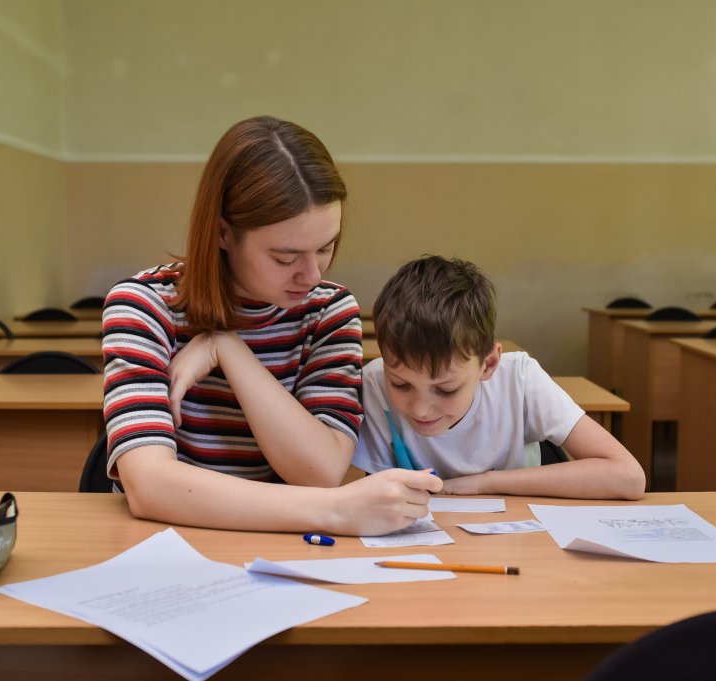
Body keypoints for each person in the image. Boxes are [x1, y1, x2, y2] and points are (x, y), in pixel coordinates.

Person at [103, 116, 440, 536]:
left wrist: (227, 349)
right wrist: (332, 511)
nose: (312, 275)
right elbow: (150, 487)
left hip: (285, 554)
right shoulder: (143, 304)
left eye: (326, 247)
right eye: (285, 258)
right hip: (174, 547)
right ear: (224, 232)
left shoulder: (329, 310)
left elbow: (318, 471)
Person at [351, 256, 646, 500]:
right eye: (400, 385)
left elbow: (628, 477)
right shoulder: (373, 385)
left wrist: (486, 483)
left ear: (488, 363)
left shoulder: (519, 380)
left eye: (446, 390)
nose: (420, 409)